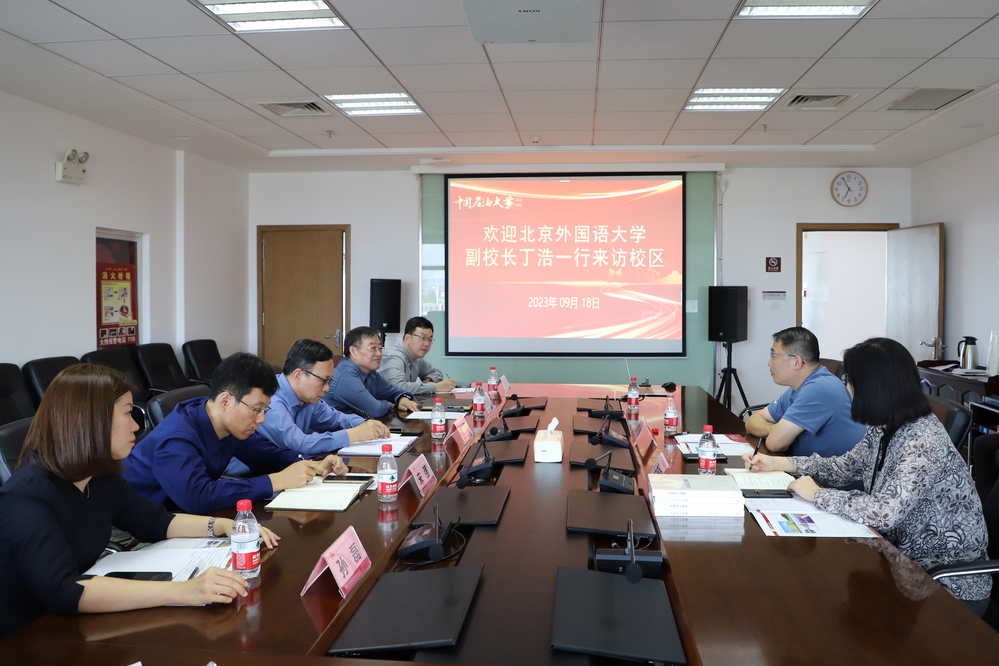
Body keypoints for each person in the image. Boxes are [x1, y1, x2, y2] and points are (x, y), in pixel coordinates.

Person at [0, 364, 279, 640]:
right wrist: (185, 591)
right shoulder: (26, 498)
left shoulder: (98, 476)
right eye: (127, 413)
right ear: (92, 421)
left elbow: (154, 522)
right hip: (29, 636)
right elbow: (63, 589)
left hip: (79, 621)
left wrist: (222, 526)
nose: (136, 425)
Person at [744, 337, 992, 614]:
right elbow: (844, 467)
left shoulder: (922, 440)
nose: (846, 387)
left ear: (872, 386)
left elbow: (885, 513)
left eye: (849, 380)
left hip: (945, 583)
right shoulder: (883, 425)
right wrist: (782, 464)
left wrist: (818, 494)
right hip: (898, 564)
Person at [124, 352, 347, 515]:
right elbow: (198, 497)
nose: (261, 419)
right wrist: (276, 481)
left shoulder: (226, 421)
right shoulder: (177, 437)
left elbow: (266, 455)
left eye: (265, 410)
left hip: (179, 517)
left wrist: (312, 464)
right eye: (256, 409)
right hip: (135, 533)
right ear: (225, 400)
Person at [746, 326, 864, 457]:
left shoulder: (819, 388)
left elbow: (775, 443)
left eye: (774, 356)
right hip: (808, 465)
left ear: (797, 362)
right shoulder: (799, 387)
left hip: (839, 469)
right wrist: (772, 428)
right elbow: (753, 421)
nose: (769, 363)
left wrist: (775, 431)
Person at [259, 339, 390, 455]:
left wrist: (366, 424)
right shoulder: (271, 399)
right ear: (298, 375)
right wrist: (354, 434)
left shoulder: (308, 398)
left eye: (329, 381)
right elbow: (299, 444)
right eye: (323, 381)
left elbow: (337, 419)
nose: (326, 388)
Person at [323, 326, 420, 418]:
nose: (379, 353)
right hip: (335, 429)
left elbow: (394, 392)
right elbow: (376, 410)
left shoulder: (370, 373)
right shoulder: (346, 377)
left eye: (380, 348)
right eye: (372, 348)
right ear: (353, 351)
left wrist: (402, 399)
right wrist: (392, 404)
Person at [378, 316, 455, 395]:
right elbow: (398, 388)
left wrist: (429, 381)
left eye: (430, 339)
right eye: (422, 338)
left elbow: (437, 373)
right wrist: (436, 387)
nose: (427, 344)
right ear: (407, 338)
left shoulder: (417, 359)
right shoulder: (394, 356)